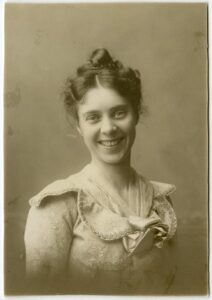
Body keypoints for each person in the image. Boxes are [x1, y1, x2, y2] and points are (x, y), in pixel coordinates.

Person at [24, 48, 177, 295]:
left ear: (136, 113)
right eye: (93, 117)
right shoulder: (57, 206)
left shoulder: (162, 202)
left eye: (119, 113)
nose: (108, 128)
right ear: (79, 126)